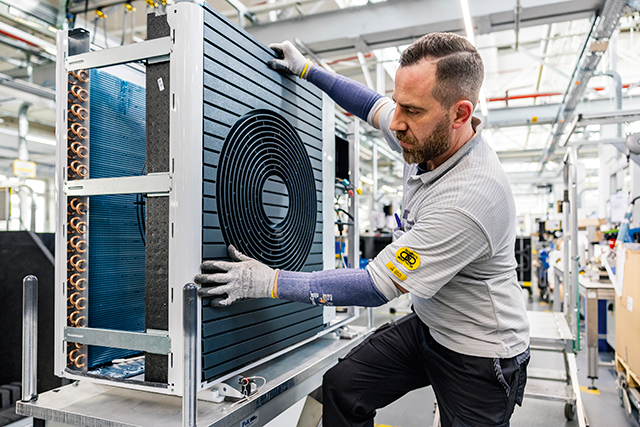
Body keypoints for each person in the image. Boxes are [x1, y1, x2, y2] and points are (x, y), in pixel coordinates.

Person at [196, 32, 530, 427]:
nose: (396, 121)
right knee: (342, 388)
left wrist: (268, 282)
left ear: (460, 114)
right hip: (431, 324)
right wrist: (308, 69)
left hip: (480, 352)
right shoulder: (426, 135)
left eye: (412, 111)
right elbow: (370, 104)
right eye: (398, 103)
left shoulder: (469, 199)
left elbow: (374, 286)